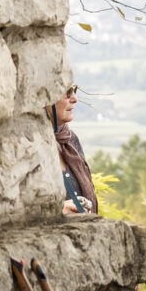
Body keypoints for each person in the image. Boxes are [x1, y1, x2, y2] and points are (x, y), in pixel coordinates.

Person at [53, 84, 97, 215]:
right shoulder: (28, 147)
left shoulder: (70, 139)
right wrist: (58, 211)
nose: (74, 98)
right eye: (67, 92)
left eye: (74, 90)